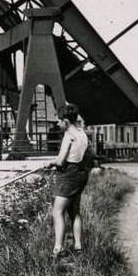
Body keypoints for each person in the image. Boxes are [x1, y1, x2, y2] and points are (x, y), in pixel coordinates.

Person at [47, 103, 94, 258]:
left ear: (66, 121)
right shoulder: (83, 134)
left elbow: (61, 161)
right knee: (74, 211)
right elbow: (86, 155)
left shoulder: (69, 136)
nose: (58, 124)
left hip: (68, 175)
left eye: (59, 121)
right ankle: (78, 247)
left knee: (57, 211)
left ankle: (58, 249)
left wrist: (51, 162)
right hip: (81, 174)